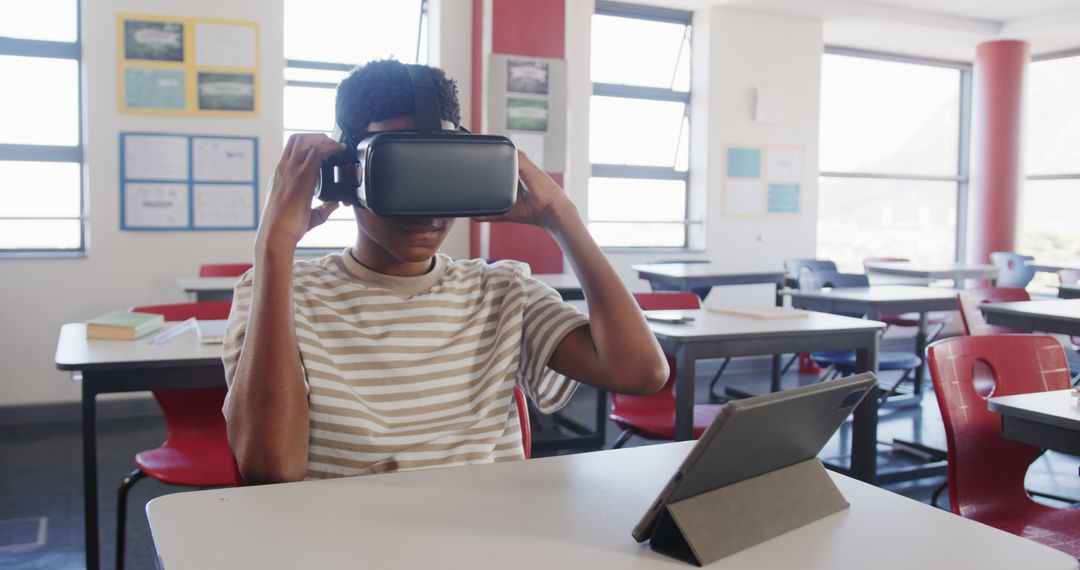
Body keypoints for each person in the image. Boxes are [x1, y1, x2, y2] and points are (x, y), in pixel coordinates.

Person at [222, 60, 668, 484]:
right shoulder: (277, 291)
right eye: (401, 172)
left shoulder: (502, 290)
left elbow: (640, 373)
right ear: (344, 175)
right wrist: (274, 246)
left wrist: (561, 214)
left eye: (443, 171)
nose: (427, 209)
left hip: (483, 537)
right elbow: (272, 467)